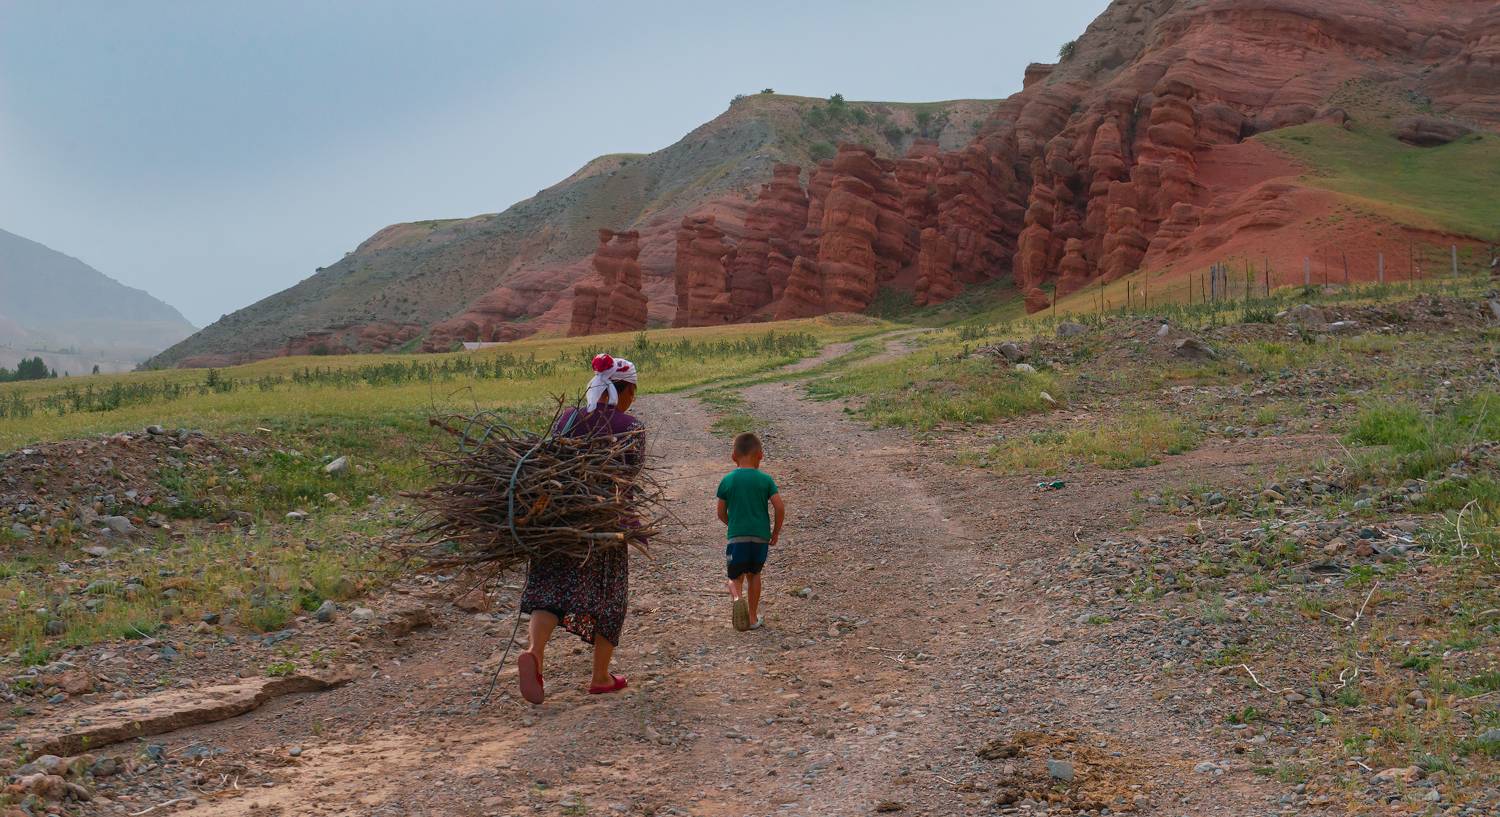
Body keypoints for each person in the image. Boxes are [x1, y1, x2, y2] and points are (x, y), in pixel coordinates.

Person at [516, 353, 643, 704]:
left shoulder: (567, 418)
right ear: (625, 390)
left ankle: (534, 653)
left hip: (557, 522)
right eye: (633, 390)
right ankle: (600, 676)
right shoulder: (631, 426)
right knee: (608, 600)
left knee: (550, 593)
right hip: (605, 526)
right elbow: (628, 479)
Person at [716, 432, 784, 631]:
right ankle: (753, 617)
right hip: (760, 537)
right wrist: (775, 532)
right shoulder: (765, 480)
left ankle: (738, 598)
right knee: (754, 574)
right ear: (760, 455)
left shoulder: (728, 480)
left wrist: (732, 524)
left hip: (737, 537)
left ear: (733, 456)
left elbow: (720, 512)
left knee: (734, 577)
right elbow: (779, 507)